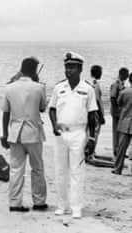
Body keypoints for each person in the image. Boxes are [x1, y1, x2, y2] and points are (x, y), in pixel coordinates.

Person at [49, 52, 98, 219]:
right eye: (66, 67)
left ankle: (76, 207)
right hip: (61, 133)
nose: (68, 71)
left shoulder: (88, 89)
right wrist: (54, 125)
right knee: (60, 170)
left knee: (77, 171)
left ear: (80, 69)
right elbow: (52, 109)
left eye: (72, 67)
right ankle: (62, 205)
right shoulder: (58, 88)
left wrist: (91, 138)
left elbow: (92, 116)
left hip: (78, 133)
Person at [1, 57, 48, 212]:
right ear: (35, 70)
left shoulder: (9, 87)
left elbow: (6, 114)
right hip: (33, 132)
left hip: (15, 133)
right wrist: (37, 83)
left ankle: (14, 203)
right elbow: (42, 108)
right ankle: (39, 201)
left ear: (21, 69)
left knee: (16, 169)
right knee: (37, 168)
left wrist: (5, 134)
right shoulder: (39, 87)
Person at [112, 74, 132, 175]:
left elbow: (118, 103)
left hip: (125, 122)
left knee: (121, 148)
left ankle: (118, 168)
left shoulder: (124, 92)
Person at [110, 67, 129, 157]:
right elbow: (113, 98)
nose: (127, 77)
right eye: (126, 75)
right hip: (117, 112)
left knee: (120, 131)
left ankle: (119, 150)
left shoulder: (121, 84)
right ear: (122, 74)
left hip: (121, 112)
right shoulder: (116, 84)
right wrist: (115, 111)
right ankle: (116, 150)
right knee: (116, 132)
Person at [89, 65, 105, 155]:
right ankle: (91, 152)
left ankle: (91, 151)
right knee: (95, 132)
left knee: (92, 131)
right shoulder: (96, 85)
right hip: (96, 112)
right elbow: (96, 100)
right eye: (100, 72)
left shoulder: (92, 83)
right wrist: (101, 115)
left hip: (93, 110)